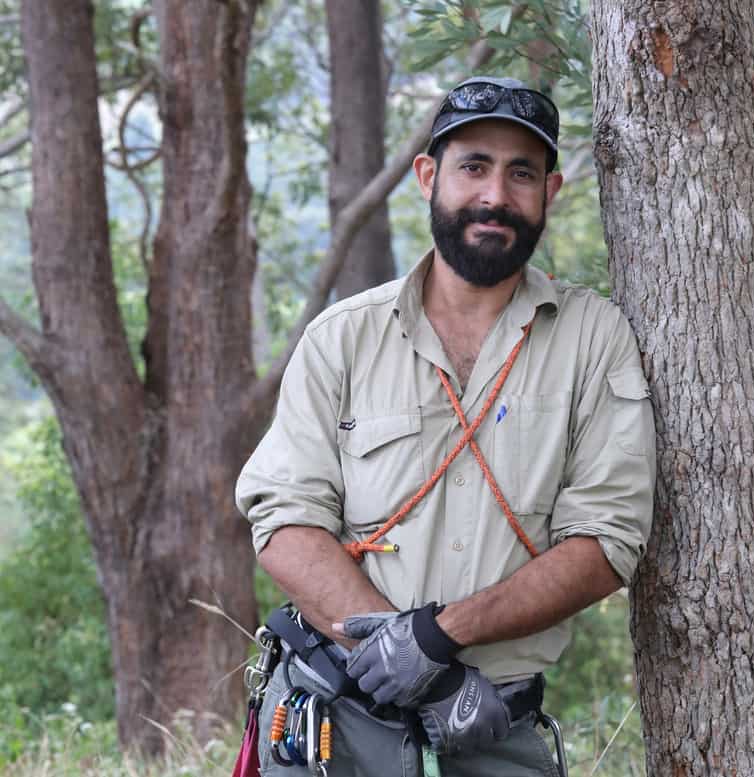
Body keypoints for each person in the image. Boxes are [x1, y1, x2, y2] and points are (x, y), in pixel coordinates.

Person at [236, 75, 656, 777]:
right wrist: (420, 669)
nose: (495, 195)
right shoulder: (343, 336)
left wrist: (437, 638)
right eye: (473, 167)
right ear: (428, 176)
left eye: (520, 173)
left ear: (549, 192)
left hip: (492, 728)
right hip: (332, 726)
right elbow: (283, 517)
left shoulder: (594, 338)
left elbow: (607, 539)